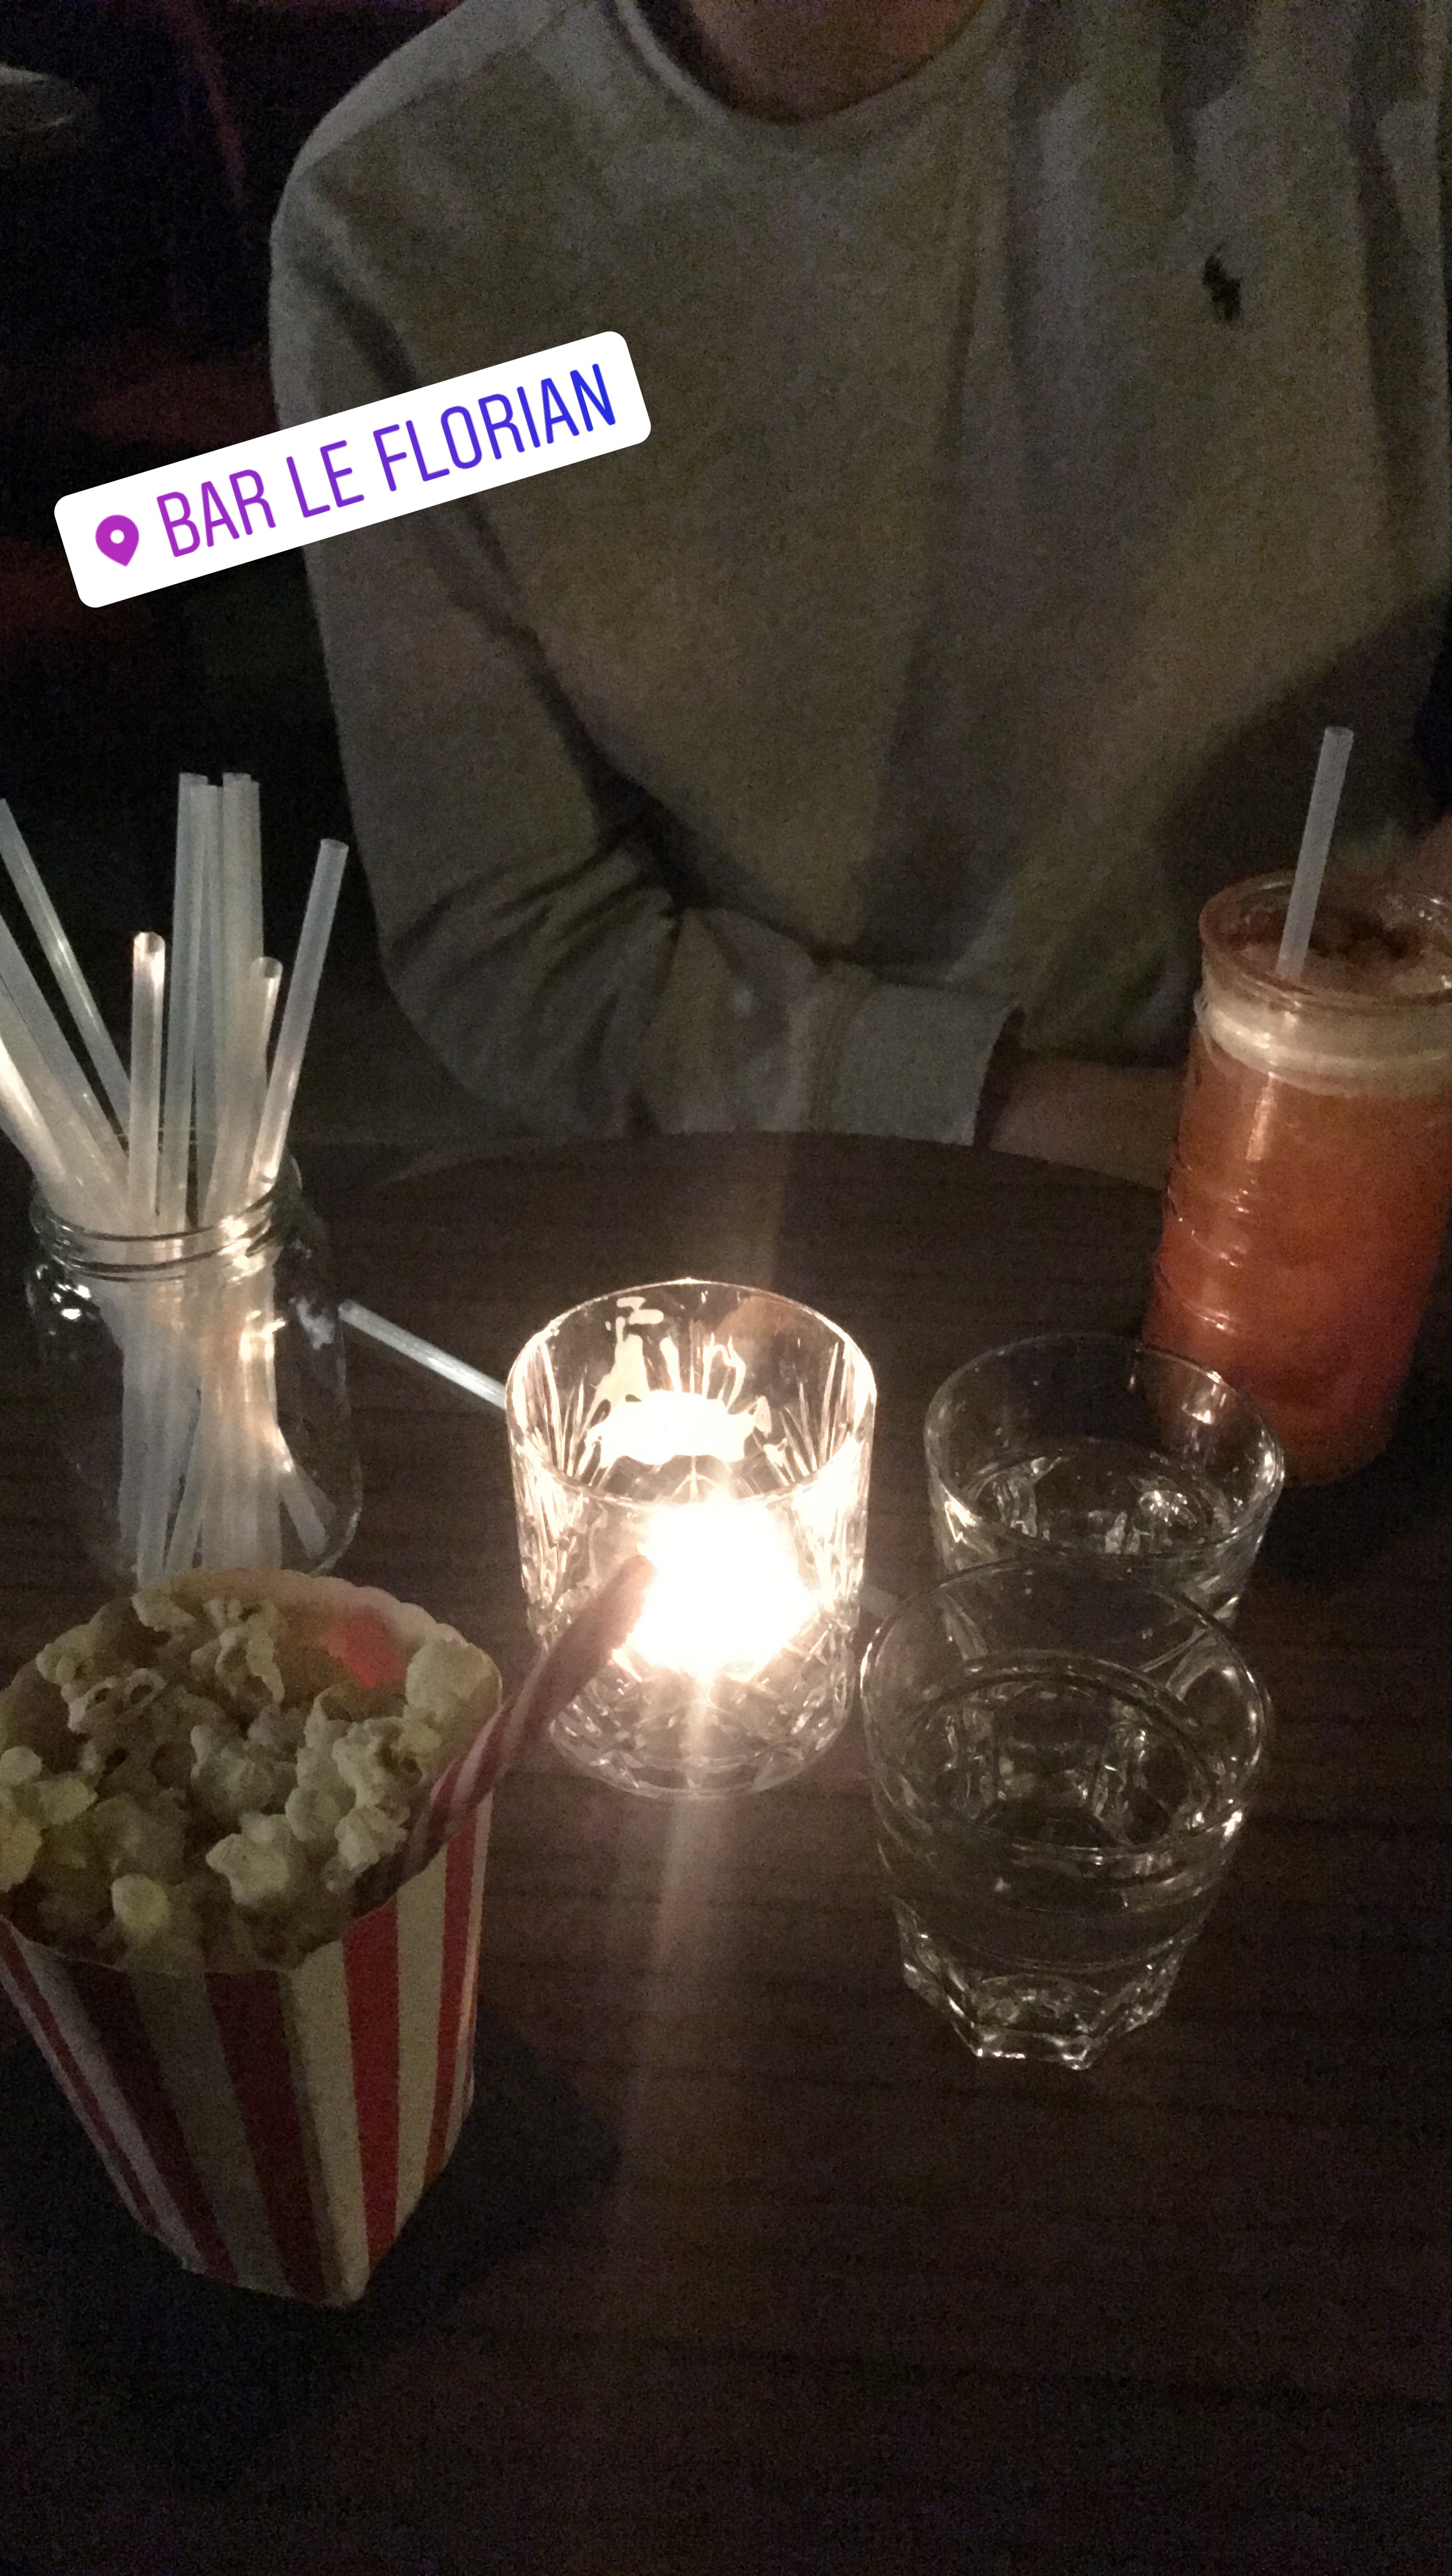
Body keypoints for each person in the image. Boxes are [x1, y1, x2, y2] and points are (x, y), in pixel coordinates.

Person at [270, 0, 1452, 1188]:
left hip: (1378, 1103)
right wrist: (1106, 1135)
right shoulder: (400, 216)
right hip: (792, 1174)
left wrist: (1396, 993)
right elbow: (517, 936)